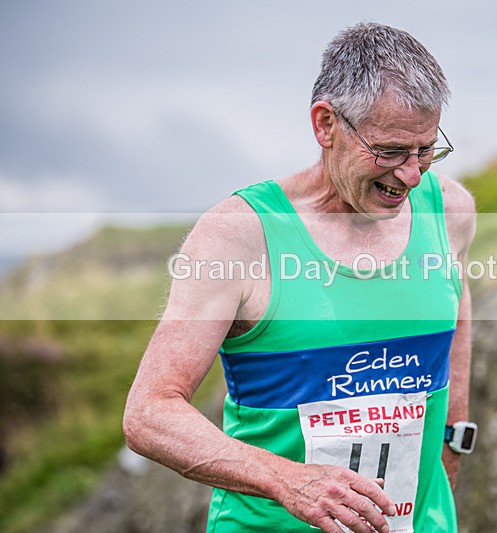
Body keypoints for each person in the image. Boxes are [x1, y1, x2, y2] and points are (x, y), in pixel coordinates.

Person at [124, 22, 475, 533]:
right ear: (326, 124)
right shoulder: (241, 235)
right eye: (391, 152)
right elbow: (149, 413)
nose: (411, 175)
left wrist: (450, 453)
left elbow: (454, 321)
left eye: (425, 150)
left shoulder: (448, 212)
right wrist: (287, 479)